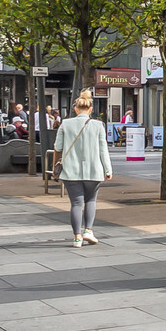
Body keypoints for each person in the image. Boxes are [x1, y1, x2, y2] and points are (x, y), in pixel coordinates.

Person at [55, 90, 112, 248]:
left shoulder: (66, 124)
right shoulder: (98, 125)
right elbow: (103, 149)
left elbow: (58, 147)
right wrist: (108, 169)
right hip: (94, 170)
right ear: (91, 109)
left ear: (75, 108)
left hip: (70, 171)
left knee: (76, 203)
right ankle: (88, 230)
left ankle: (77, 237)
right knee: (91, 200)